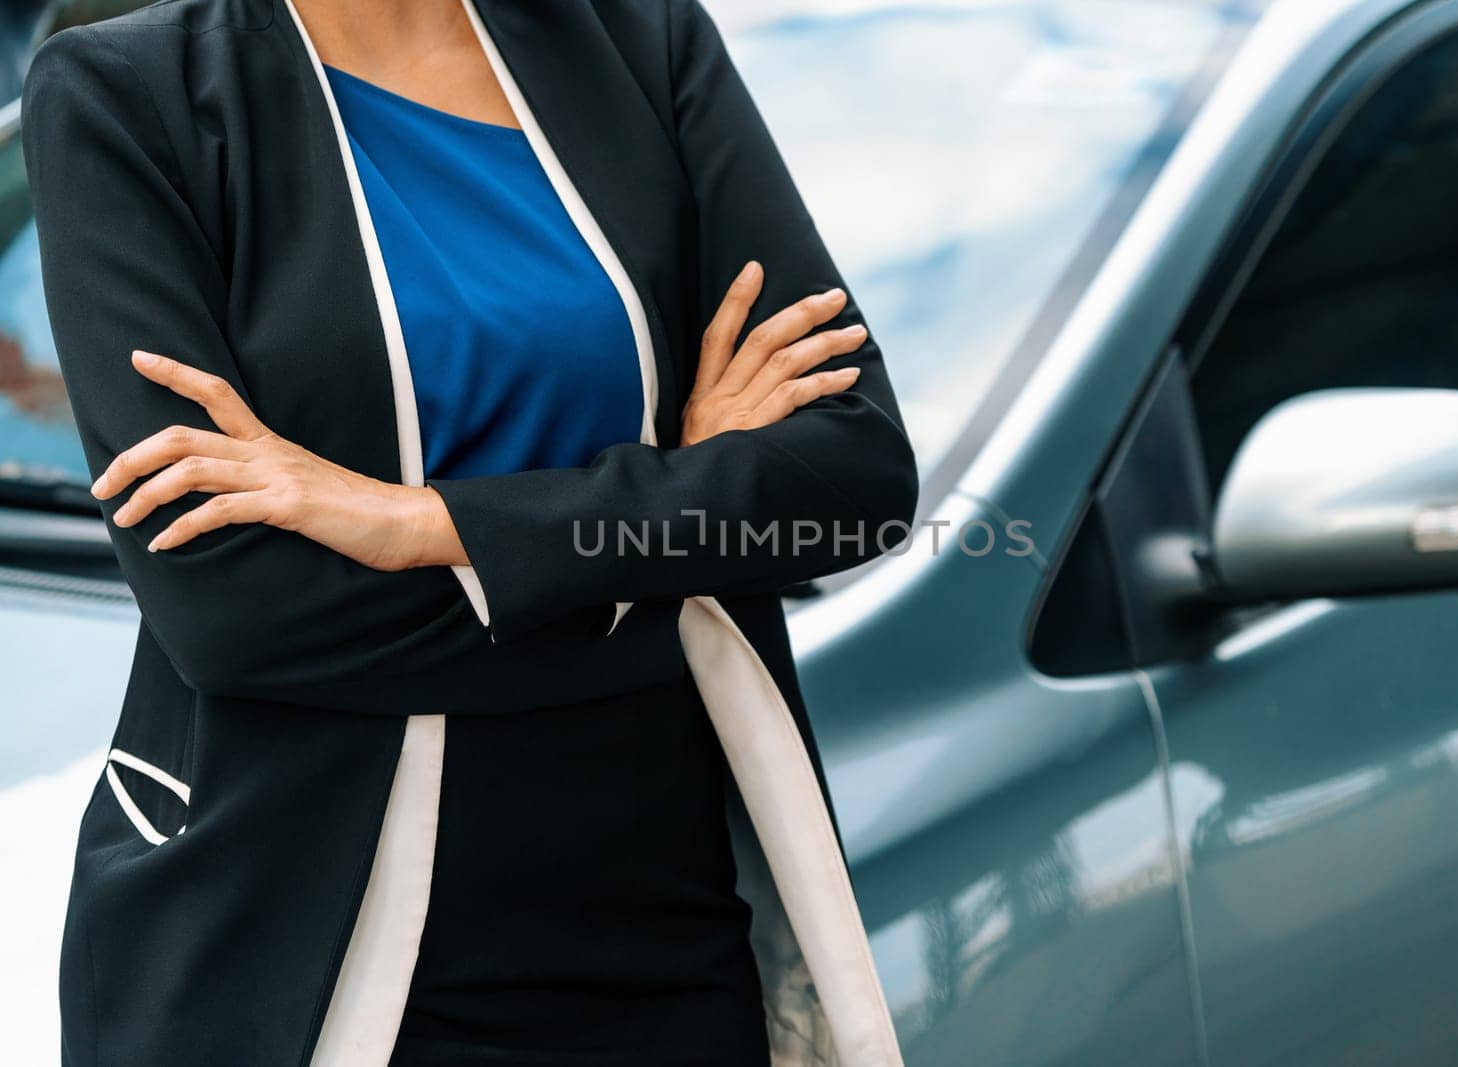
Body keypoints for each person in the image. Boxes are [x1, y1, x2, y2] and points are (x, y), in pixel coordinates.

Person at [21, 0, 919, 1064]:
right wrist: (678, 520)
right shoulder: (129, 92)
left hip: (658, 930)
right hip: (303, 948)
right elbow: (234, 614)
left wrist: (422, 523)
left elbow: (854, 477)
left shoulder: (639, 41)